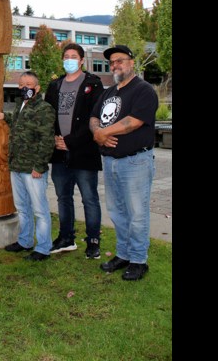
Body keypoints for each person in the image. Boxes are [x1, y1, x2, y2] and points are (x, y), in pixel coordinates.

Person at [90, 45, 159, 281]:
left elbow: (135, 121)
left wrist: (102, 132)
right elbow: (94, 116)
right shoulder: (109, 92)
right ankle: (124, 254)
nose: (115, 65)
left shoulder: (143, 90)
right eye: (112, 62)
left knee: (137, 213)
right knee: (118, 212)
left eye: (120, 60)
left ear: (132, 62)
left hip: (135, 162)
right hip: (111, 162)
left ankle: (139, 260)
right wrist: (97, 131)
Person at [44, 42, 104, 259]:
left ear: (81, 60)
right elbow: (48, 116)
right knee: (63, 197)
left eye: (73, 56)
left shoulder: (93, 84)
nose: (69, 59)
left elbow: (94, 119)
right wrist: (55, 140)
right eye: (65, 56)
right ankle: (66, 238)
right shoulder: (55, 86)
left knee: (89, 198)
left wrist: (70, 141)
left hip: (84, 152)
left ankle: (93, 241)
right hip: (59, 153)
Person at [0, 71, 56, 261]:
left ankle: (43, 248)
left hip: (33, 169)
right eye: (21, 85)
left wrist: (39, 166)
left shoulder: (44, 109)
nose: (24, 88)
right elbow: (20, 124)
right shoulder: (21, 104)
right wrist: (5, 116)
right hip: (17, 166)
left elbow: (47, 140)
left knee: (39, 210)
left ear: (37, 88)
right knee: (22, 207)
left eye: (28, 85)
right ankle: (25, 240)